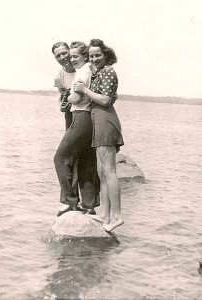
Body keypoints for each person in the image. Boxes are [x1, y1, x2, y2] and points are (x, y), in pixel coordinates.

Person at [73, 39, 124, 232]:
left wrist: (85, 90)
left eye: (98, 55)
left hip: (106, 123)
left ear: (106, 55)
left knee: (109, 171)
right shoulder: (100, 72)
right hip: (99, 122)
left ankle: (117, 216)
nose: (94, 59)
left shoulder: (109, 71)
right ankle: (104, 214)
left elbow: (105, 100)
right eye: (92, 56)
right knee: (102, 172)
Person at [54, 41, 100, 216]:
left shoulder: (83, 71)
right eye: (60, 55)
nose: (69, 58)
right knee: (86, 159)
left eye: (73, 56)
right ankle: (90, 205)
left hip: (82, 116)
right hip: (86, 116)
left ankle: (70, 201)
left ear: (83, 56)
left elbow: (76, 97)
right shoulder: (88, 69)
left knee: (61, 158)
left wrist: (70, 96)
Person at [52, 42, 76, 130]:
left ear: (70, 51)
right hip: (71, 114)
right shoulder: (59, 76)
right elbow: (62, 95)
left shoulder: (83, 68)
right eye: (58, 56)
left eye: (64, 53)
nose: (62, 57)